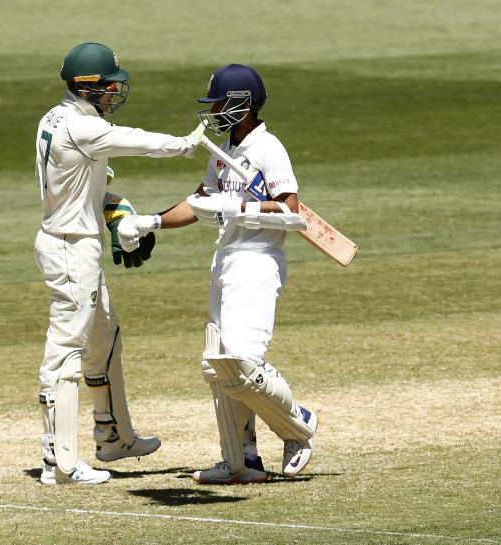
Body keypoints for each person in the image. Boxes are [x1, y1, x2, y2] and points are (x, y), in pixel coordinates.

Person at [117, 64, 317, 484]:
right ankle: (242, 462)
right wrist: (150, 221)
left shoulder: (269, 149)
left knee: (242, 363)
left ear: (242, 104)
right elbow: (199, 202)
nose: (213, 111)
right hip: (224, 259)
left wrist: (236, 209)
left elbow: (290, 211)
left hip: (258, 260)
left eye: (220, 103)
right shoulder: (223, 151)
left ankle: (298, 424)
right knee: (220, 367)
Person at [34, 42, 202, 485]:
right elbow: (137, 141)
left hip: (75, 241)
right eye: (108, 86)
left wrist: (118, 213)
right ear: (86, 87)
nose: (114, 93)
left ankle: (114, 438)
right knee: (66, 347)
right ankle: (60, 462)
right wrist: (186, 144)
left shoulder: (57, 116)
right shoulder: (83, 129)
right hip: (70, 247)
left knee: (104, 338)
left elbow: (92, 189)